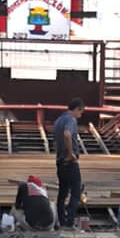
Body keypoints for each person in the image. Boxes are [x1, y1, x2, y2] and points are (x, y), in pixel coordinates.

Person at [51, 97, 85, 230]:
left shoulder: (58, 120)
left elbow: (56, 141)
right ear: (76, 109)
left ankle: (61, 220)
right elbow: (67, 134)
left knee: (62, 192)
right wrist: (71, 154)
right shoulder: (71, 120)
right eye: (80, 112)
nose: (80, 115)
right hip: (70, 162)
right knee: (76, 192)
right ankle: (70, 221)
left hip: (60, 162)